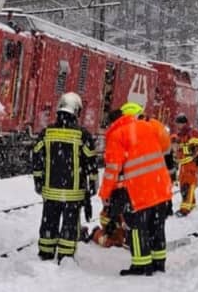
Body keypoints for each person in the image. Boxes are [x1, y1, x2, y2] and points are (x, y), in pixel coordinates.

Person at [100, 102, 174, 276]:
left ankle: (141, 266)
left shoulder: (118, 135)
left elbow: (112, 169)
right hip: (160, 187)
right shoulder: (149, 127)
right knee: (157, 226)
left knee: (136, 227)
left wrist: (105, 193)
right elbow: (165, 146)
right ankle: (158, 263)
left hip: (138, 191)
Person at [31, 92, 98, 263]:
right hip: (73, 192)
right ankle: (65, 256)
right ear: (76, 111)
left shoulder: (46, 133)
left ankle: (46, 252)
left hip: (50, 190)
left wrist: (38, 181)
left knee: (49, 222)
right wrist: (92, 185)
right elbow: (91, 162)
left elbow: (36, 158)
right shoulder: (83, 135)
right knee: (69, 224)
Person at [172, 114, 198, 216]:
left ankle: (185, 209)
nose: (177, 126)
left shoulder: (192, 133)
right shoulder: (180, 135)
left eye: (179, 124)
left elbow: (197, 148)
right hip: (183, 164)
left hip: (191, 164)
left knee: (187, 186)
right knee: (184, 186)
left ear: (184, 123)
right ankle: (192, 204)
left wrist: (190, 154)